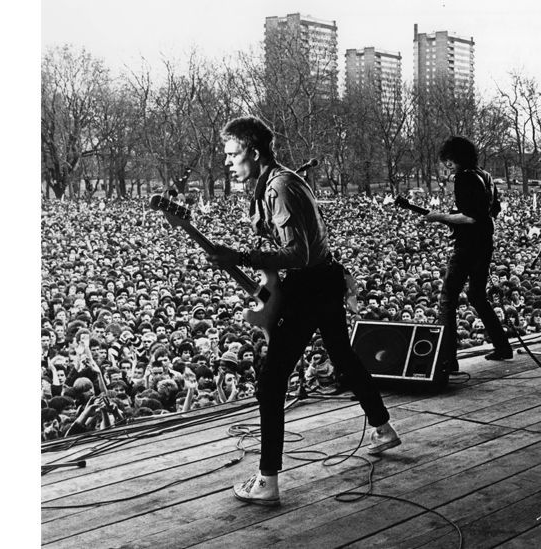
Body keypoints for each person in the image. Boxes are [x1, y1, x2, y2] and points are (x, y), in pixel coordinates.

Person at [206, 115, 400, 506]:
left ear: (254, 152)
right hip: (322, 281)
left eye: (232, 154)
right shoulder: (276, 183)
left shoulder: (279, 187)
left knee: (271, 381)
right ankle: (382, 428)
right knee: (342, 356)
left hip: (309, 285)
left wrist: (238, 256)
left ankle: (267, 480)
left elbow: (300, 254)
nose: (227, 162)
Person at [424, 136, 511, 373]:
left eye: (449, 161)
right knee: (476, 295)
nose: (448, 166)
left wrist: (441, 217)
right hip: (485, 243)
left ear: (457, 158)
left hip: (468, 246)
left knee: (447, 300)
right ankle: (503, 346)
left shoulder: (463, 177)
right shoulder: (486, 175)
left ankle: (447, 360)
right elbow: (491, 211)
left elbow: (471, 216)